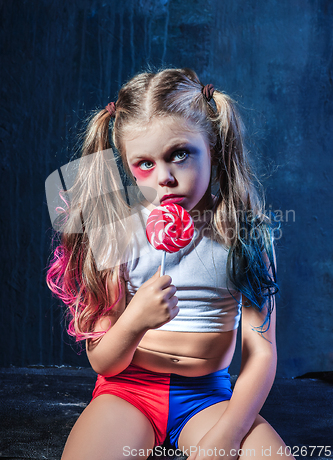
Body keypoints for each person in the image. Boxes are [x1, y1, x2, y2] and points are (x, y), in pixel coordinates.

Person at [47, 68, 293, 460]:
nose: (164, 177)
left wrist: (227, 435)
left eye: (180, 154)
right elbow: (103, 361)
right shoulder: (117, 232)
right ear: (125, 165)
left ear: (212, 146)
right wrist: (135, 319)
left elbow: (262, 353)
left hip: (207, 397)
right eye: (144, 163)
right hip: (126, 391)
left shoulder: (245, 237)